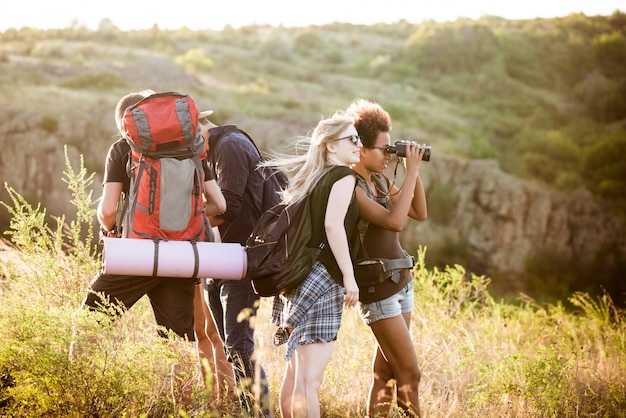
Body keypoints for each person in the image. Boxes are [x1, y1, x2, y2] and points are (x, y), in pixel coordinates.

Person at [75, 90, 228, 408]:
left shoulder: (122, 148)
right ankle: (186, 410)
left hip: (137, 255)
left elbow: (106, 211)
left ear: (125, 123)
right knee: (179, 341)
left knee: (89, 323)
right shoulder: (192, 150)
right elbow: (219, 204)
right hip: (182, 257)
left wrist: (110, 231)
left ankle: (77, 395)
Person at [264, 112, 362, 417]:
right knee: (310, 382)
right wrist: (349, 276)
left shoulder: (314, 177)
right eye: (353, 139)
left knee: (295, 377)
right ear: (331, 146)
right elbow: (333, 226)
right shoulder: (344, 176)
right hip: (323, 280)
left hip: (299, 277)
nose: (360, 144)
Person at [346, 98, 427, 417]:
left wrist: (411, 170)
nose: (388, 155)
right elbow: (395, 221)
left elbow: (419, 212)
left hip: (400, 282)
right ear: (362, 150)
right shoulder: (351, 187)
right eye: (384, 149)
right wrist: (412, 172)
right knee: (411, 375)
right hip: (378, 291)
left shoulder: (379, 179)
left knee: (387, 375)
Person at [200, 113, 276, 417]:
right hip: (223, 259)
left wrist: (183, 220)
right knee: (234, 348)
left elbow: (227, 207)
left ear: (199, 128)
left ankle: (263, 413)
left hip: (242, 260)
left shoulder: (230, 145)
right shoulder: (216, 150)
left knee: (240, 347)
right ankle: (250, 412)